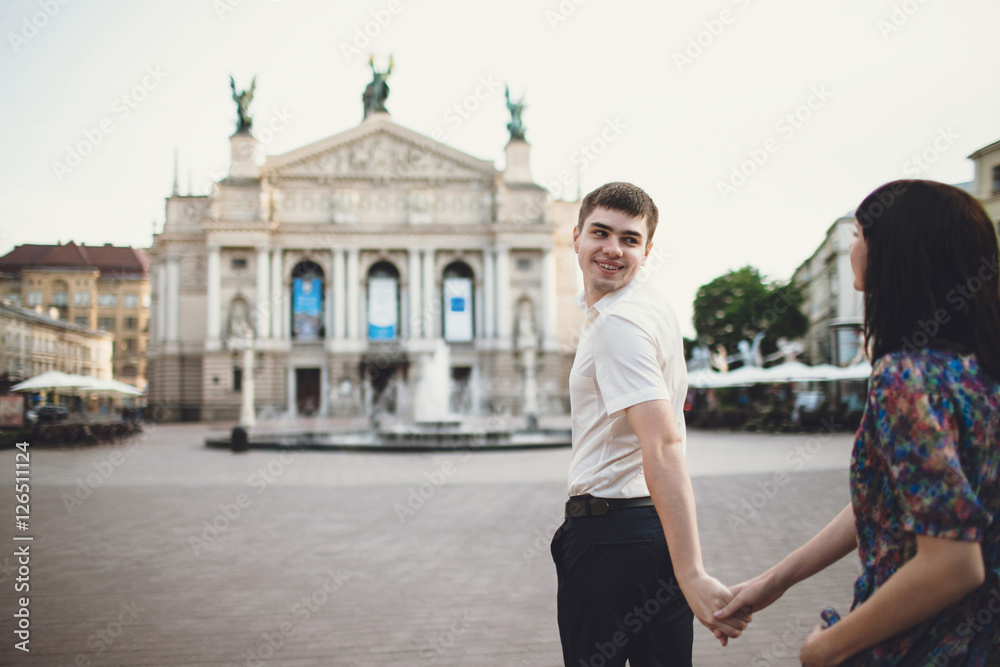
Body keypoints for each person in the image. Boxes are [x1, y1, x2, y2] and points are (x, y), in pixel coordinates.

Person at [715, 179, 1000, 665]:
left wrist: (825, 649)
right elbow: (904, 496)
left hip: (927, 640)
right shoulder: (978, 370)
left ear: (897, 253)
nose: (852, 248)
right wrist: (774, 580)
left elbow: (952, 563)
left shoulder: (907, 376)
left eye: (860, 235)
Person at [550, 182, 750, 666]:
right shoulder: (648, 308)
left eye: (629, 239)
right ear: (576, 237)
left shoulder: (620, 322)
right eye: (601, 233)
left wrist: (694, 572)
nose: (613, 249)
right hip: (648, 530)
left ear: (647, 249)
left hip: (609, 538)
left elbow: (661, 444)